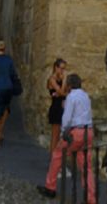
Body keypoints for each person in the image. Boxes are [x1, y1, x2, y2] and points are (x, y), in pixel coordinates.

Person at [38, 73, 96, 203]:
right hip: (88, 131)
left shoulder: (71, 97)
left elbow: (67, 118)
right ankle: (91, 198)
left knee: (57, 155)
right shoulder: (86, 96)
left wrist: (63, 132)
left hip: (75, 132)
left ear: (69, 86)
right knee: (86, 167)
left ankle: (50, 187)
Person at [47, 57, 68, 153]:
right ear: (56, 67)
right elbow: (61, 92)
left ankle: (57, 159)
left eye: (64, 68)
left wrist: (60, 93)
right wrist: (63, 82)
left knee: (61, 134)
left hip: (63, 107)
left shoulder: (61, 78)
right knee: (55, 135)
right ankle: (52, 158)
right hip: (56, 108)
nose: (62, 71)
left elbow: (65, 93)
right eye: (61, 68)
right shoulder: (52, 79)